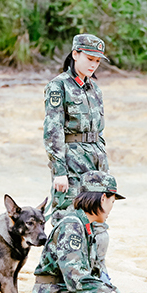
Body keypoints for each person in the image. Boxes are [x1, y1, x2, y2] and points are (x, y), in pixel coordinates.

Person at [29, 171, 146, 293]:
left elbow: (96, 277)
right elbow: (76, 279)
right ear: (103, 198)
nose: (112, 208)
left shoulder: (85, 227)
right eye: (112, 201)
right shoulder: (71, 226)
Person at [43, 33, 109, 219]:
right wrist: (59, 171)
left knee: (95, 217)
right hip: (72, 162)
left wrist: (103, 164)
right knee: (68, 216)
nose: (93, 65)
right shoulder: (59, 86)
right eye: (89, 59)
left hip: (96, 163)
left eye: (97, 61)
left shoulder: (95, 89)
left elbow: (99, 130)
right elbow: (53, 129)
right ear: (75, 54)